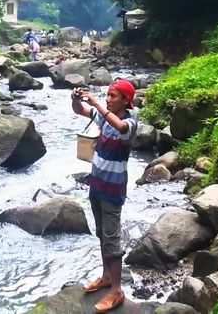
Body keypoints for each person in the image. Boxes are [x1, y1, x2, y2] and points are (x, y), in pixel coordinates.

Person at [71, 80, 138, 313]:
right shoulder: (104, 116)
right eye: (108, 95)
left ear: (126, 101)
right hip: (97, 185)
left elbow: (119, 127)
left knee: (111, 238)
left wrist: (98, 104)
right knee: (102, 234)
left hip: (112, 190)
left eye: (114, 96)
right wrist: (75, 98)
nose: (109, 98)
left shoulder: (130, 121)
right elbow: (80, 110)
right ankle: (106, 276)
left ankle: (117, 290)